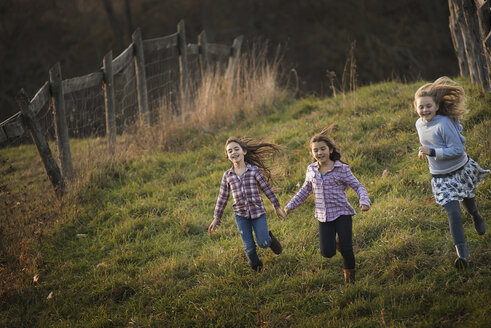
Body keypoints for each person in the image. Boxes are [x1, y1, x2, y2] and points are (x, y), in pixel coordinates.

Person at [414, 76, 489, 269]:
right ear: (416, 107)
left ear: (437, 106)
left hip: (459, 171)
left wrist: (433, 152)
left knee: (469, 203)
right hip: (440, 178)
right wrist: (424, 151)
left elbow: (458, 150)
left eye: (428, 106)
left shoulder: (444, 123)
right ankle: (463, 256)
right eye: (421, 106)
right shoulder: (419, 124)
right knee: (453, 214)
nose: (424, 110)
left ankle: (476, 215)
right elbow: (428, 143)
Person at [284, 128, 370, 283]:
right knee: (327, 252)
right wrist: (290, 206)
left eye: (323, 149)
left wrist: (364, 201)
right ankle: (337, 242)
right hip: (323, 216)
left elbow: (358, 186)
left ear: (330, 150)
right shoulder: (311, 170)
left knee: (347, 249)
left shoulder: (341, 169)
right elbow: (304, 190)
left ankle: (350, 280)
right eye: (315, 150)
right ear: (312, 153)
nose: (319, 153)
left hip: (342, 213)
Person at [209, 137, 286, 272]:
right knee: (249, 248)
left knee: (263, 243)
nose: (233, 152)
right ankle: (256, 267)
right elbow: (222, 197)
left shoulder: (254, 171)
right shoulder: (227, 176)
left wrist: (277, 207)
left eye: (236, 149)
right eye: (230, 151)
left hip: (258, 213)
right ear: (227, 155)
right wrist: (216, 218)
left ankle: (270, 240)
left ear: (244, 151)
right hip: (241, 215)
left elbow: (267, 189)